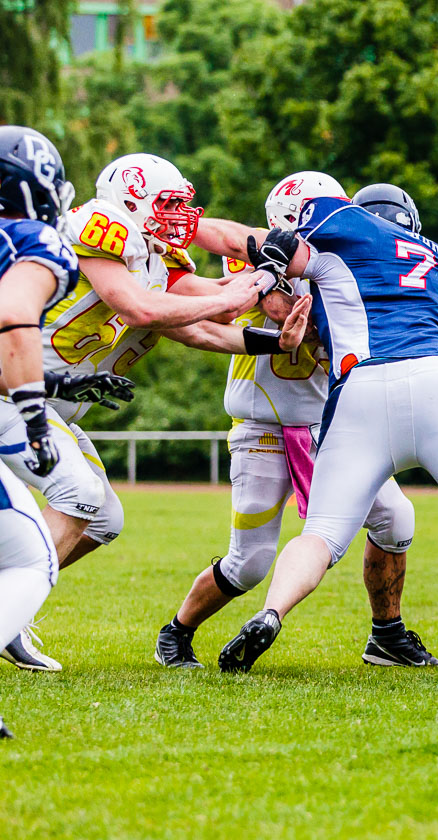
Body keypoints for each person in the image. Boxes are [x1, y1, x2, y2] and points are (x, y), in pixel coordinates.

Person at [217, 184, 438, 681]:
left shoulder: (342, 230)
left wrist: (262, 267)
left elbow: (274, 248)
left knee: (322, 534)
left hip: (359, 388)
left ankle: (271, 612)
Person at [0, 152, 285, 672]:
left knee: (105, 517)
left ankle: (16, 597)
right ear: (131, 197)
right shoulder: (100, 226)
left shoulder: (156, 259)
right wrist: (250, 286)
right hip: (15, 384)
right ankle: (9, 608)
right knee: (79, 494)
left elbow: (206, 316)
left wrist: (277, 336)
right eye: (169, 202)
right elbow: (141, 309)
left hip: (56, 399)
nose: (179, 216)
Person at [155, 173, 436, 670]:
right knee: (249, 564)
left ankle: (386, 635)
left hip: (333, 426)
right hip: (263, 425)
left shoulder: (344, 262)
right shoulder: (261, 259)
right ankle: (177, 632)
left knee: (396, 519)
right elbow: (275, 303)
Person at [0, 126, 131, 735]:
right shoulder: (36, 241)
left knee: (90, 516)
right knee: (29, 556)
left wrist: (57, 387)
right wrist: (34, 414)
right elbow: (13, 319)